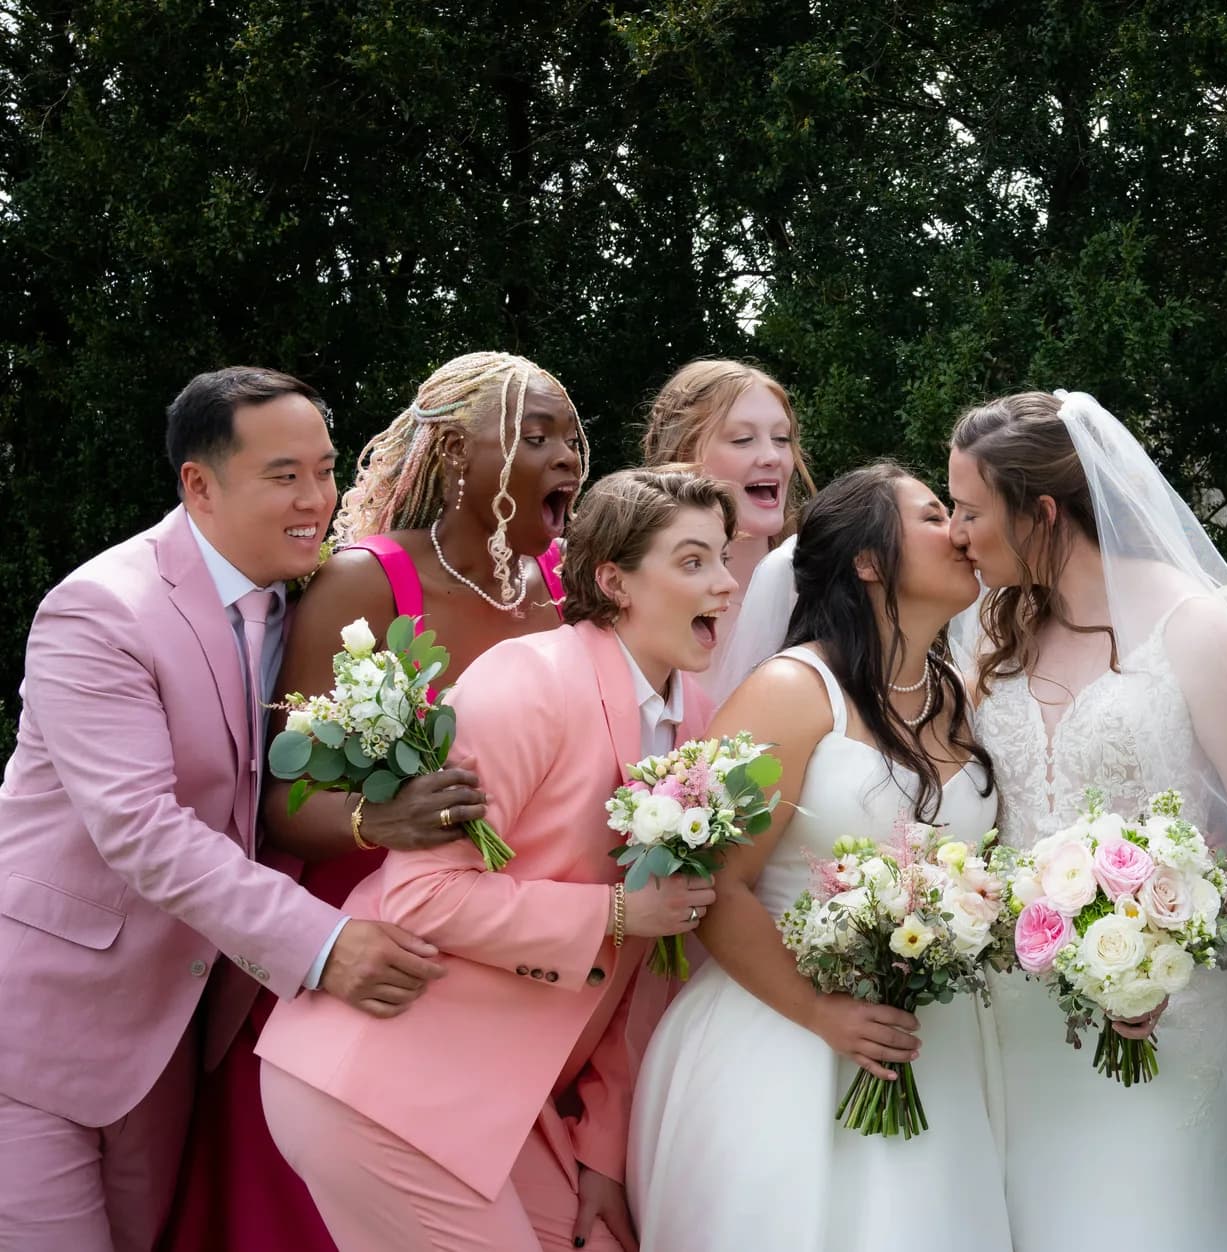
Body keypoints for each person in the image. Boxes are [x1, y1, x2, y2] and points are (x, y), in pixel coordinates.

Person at [0, 367, 444, 1251]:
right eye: (285, 476)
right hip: (40, 1032)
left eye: (324, 470)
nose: (317, 498)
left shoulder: (318, 604)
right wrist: (320, 944)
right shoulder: (98, 612)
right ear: (198, 485)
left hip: (179, 1044)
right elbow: (142, 827)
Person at [159, 351, 591, 1252]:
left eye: (570, 435)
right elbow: (283, 796)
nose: (565, 455)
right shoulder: (363, 582)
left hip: (501, 961)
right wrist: (373, 819)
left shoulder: (564, 592)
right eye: (532, 434)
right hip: (369, 962)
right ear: (448, 454)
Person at [255, 469, 735, 1250]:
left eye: (723, 558)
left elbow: (656, 964)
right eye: (692, 562)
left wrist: (604, 1153)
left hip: (508, 1104)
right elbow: (423, 897)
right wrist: (613, 912)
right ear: (614, 580)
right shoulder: (531, 681)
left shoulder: (704, 727)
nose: (724, 583)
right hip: (383, 1080)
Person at [949, 390, 1227, 1252]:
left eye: (971, 510)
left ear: (1041, 510)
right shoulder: (996, 626)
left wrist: (1172, 953)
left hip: (1170, 1018)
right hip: (1014, 1014)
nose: (958, 532)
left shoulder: (1191, 626)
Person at [626, 463, 1007, 1251]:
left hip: (935, 1046)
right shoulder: (791, 690)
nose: (961, 533)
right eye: (935, 516)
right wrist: (820, 1013)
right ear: (869, 563)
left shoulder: (958, 694)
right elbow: (713, 881)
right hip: (783, 1043)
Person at [640, 360, 816, 702]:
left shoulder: (825, 592)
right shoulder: (640, 602)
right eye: (742, 440)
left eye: (781, 439)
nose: (772, 457)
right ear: (682, 453)